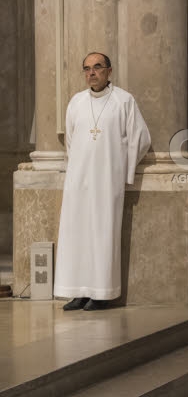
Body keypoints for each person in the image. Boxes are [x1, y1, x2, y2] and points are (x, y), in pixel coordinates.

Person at [54, 52, 151, 310]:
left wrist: (125, 171)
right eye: (86, 69)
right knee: (77, 234)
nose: (91, 73)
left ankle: (101, 294)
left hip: (107, 180)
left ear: (109, 71)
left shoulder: (123, 101)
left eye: (97, 67)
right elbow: (72, 142)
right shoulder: (76, 102)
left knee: (102, 234)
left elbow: (140, 139)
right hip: (78, 181)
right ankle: (78, 291)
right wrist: (76, 169)